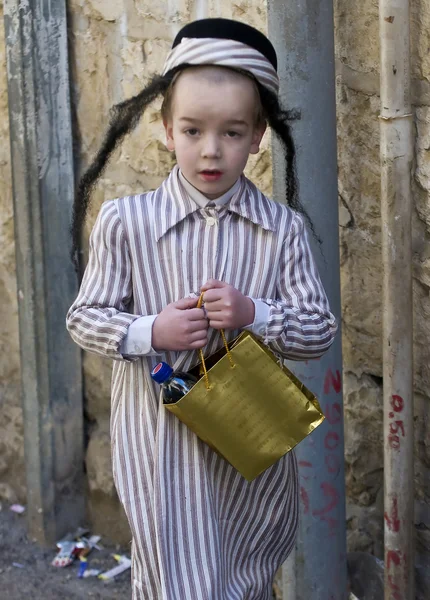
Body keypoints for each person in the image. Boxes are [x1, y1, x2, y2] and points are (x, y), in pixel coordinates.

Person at [66, 18, 338, 600]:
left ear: (259, 134)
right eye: (192, 130)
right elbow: (84, 317)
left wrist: (255, 314)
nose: (211, 149)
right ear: (166, 130)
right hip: (159, 453)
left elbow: (319, 330)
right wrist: (150, 328)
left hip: (248, 456)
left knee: (244, 578)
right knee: (170, 581)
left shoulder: (281, 231)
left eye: (232, 132)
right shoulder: (126, 223)